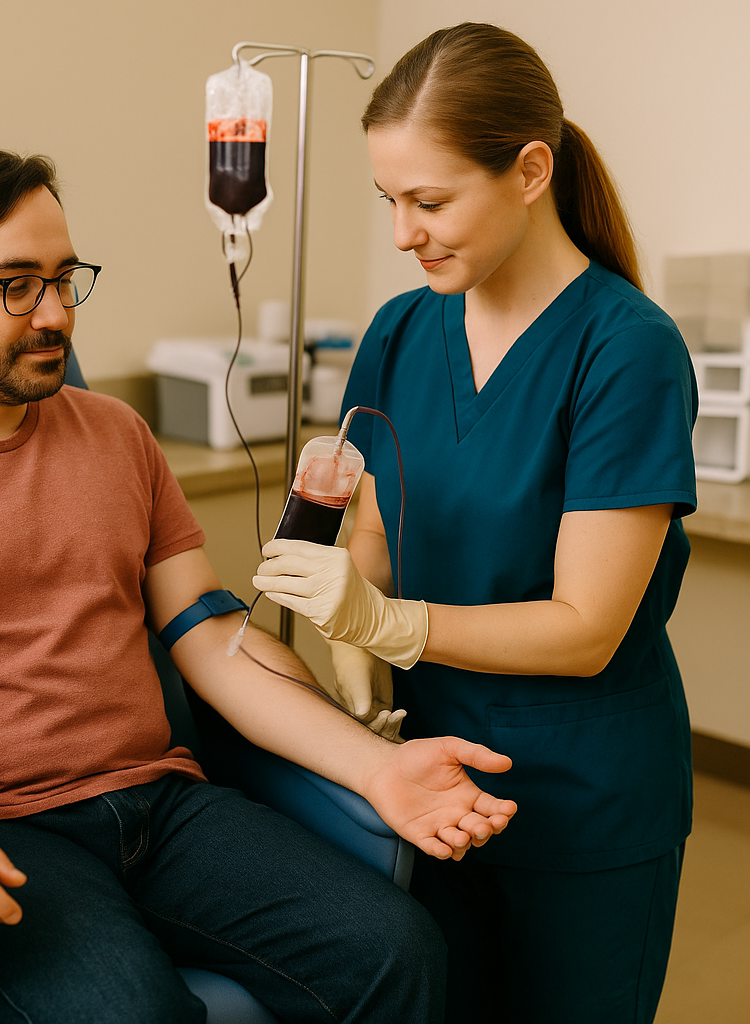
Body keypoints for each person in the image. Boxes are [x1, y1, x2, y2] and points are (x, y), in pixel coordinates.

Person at [0, 146, 519, 1024]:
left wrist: (375, 768)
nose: (56, 314)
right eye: (15, 285)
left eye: (66, 279)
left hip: (163, 804)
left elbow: (214, 637)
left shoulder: (116, 435)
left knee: (399, 951)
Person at [254, 22, 696, 1024]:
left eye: (430, 200)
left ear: (530, 170)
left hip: (582, 796)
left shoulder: (625, 350)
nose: (404, 232)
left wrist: (387, 623)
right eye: (388, 203)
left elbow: (586, 628)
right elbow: (372, 527)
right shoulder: (402, 329)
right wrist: (347, 639)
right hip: (427, 777)